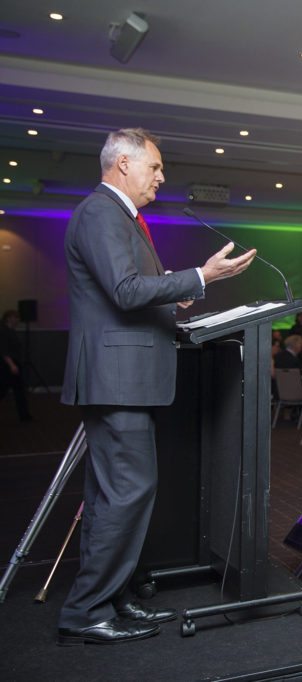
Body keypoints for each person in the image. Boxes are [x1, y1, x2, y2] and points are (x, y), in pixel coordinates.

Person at [57, 128, 255, 646]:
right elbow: (124, 292)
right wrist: (201, 277)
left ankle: (111, 598)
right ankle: (87, 611)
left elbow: (128, 289)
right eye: (156, 166)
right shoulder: (101, 212)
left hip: (122, 380)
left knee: (111, 496)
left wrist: (175, 295)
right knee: (126, 493)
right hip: (116, 380)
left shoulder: (119, 216)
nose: (162, 176)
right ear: (124, 163)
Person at [0, 310, 32, 421]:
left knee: (18, 391)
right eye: (16, 317)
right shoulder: (4, 331)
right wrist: (12, 365)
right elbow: (3, 351)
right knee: (6, 390)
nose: (18, 320)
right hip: (8, 365)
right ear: (8, 318)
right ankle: (24, 416)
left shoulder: (10, 331)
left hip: (12, 364)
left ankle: (24, 416)